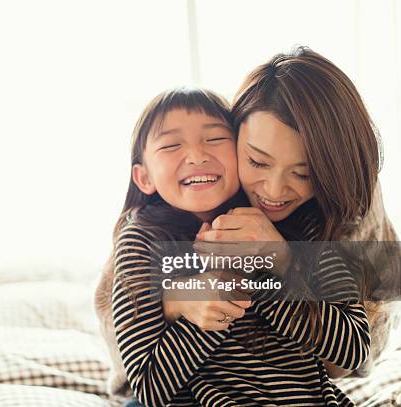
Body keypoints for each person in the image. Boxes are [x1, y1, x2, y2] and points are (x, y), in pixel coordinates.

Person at [95, 84, 371, 406]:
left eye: (214, 139)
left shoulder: (301, 224)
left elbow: (354, 348)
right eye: (171, 145)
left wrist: (267, 270)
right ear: (144, 178)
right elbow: (150, 388)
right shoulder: (141, 242)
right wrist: (199, 303)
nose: (197, 155)